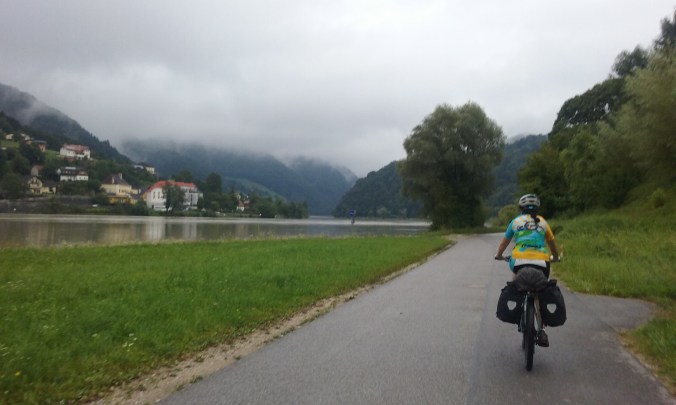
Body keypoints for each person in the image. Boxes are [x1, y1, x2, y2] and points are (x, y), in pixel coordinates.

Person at [495, 193, 560, 347]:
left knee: (517, 280)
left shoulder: (515, 222)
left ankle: (519, 308)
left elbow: (504, 243)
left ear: (521, 208)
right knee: (540, 290)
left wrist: (499, 255)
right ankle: (541, 329)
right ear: (537, 208)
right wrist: (555, 257)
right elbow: (552, 244)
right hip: (542, 262)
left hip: (519, 261)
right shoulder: (543, 222)